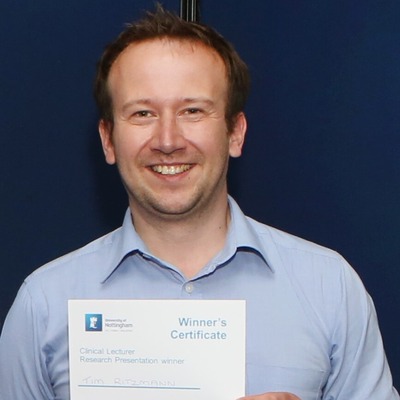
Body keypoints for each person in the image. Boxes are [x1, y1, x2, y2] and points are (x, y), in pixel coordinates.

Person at [0, 5, 398, 400]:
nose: (168, 140)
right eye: (142, 113)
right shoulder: (44, 305)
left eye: (192, 111)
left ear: (235, 133)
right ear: (108, 140)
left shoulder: (329, 288)